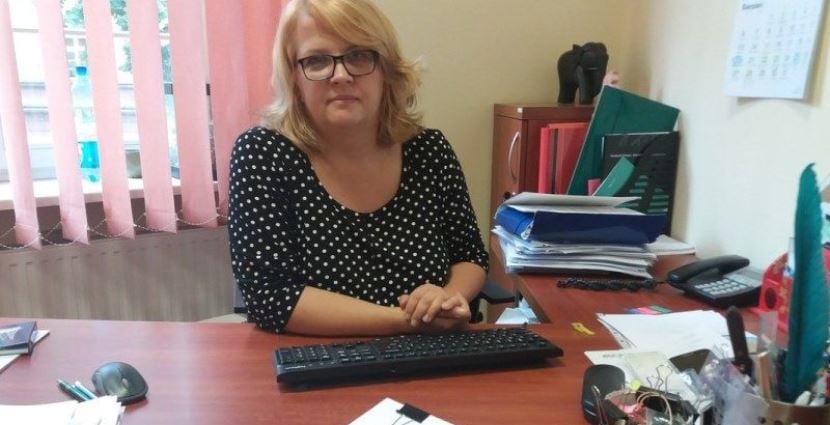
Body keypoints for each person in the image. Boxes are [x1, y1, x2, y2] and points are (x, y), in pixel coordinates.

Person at [228, 0, 488, 336]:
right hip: (316, 359)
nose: (341, 75)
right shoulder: (263, 154)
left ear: (386, 70)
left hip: (432, 354)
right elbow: (271, 296)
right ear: (294, 79)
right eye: (317, 60)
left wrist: (447, 298)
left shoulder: (429, 150)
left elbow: (470, 256)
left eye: (359, 56)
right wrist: (410, 320)